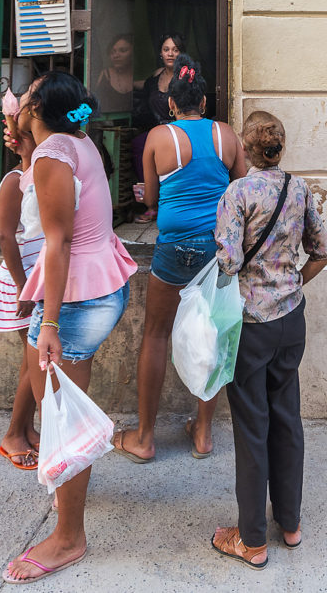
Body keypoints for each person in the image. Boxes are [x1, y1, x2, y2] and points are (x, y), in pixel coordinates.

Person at [1, 72, 137, 584]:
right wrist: (23, 132)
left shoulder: (56, 153)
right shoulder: (73, 140)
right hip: (96, 284)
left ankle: (68, 537)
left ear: (38, 108)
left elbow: (56, 243)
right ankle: (71, 499)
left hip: (77, 299)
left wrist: (50, 322)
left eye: (29, 92)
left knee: (61, 418)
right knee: (64, 407)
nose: (21, 96)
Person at [211, 111, 327, 570]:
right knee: (287, 420)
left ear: (245, 148)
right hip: (291, 319)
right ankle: (291, 523)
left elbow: (227, 262)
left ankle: (252, 540)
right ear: (280, 147)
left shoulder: (237, 193)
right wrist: (292, 282)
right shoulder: (299, 189)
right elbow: (322, 250)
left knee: (251, 429)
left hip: (252, 325)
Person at [112, 54, 247, 463]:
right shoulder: (227, 136)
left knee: (155, 335)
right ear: (204, 103)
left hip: (173, 250)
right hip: (215, 251)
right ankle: (203, 433)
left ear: (171, 104)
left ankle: (146, 437)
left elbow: (151, 199)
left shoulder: (159, 137)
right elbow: (239, 195)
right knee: (214, 334)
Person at [0, 128, 44, 470]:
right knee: (33, 359)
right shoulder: (14, 181)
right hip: (21, 279)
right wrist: (24, 286)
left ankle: (26, 429)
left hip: (36, 278)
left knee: (33, 359)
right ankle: (13, 436)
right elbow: (5, 237)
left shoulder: (40, 173)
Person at [133, 32, 186, 222]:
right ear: (161, 54)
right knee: (139, 144)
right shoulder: (155, 77)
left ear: (182, 54)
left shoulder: (186, 77)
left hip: (183, 130)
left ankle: (175, 204)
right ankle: (151, 204)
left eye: (175, 50)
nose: (170, 54)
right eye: (166, 50)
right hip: (159, 131)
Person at [95, 33, 136, 114]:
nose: (116, 55)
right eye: (112, 52)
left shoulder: (141, 76)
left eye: (123, 50)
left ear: (134, 52)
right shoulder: (105, 75)